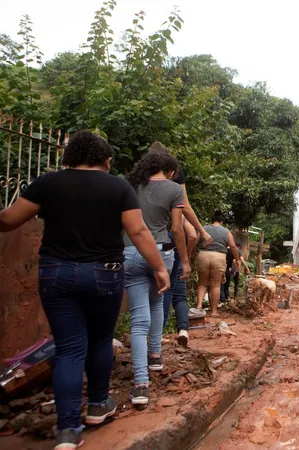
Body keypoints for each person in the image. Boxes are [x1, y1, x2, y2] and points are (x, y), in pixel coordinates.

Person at [0, 131, 169, 450]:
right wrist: (159, 268)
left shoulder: (48, 183)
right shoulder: (118, 186)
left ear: (69, 158)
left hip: (56, 274)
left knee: (68, 348)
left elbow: (9, 219)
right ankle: (97, 405)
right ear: (106, 160)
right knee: (101, 340)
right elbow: (138, 230)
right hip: (104, 275)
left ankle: (66, 430)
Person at [123, 151, 190, 408]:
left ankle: (141, 385)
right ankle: (156, 356)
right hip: (162, 254)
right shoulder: (174, 189)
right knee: (158, 301)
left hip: (130, 252)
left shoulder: (130, 185)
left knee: (139, 319)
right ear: (170, 170)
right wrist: (184, 260)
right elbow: (176, 228)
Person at [146, 142, 209, 348]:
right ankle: (162, 334)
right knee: (167, 290)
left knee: (144, 293)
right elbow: (184, 225)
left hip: (139, 241)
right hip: (167, 242)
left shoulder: (136, 178)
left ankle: (146, 337)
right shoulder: (174, 182)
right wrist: (186, 256)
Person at [195, 212, 239, 316]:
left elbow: (195, 240)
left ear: (212, 220)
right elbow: (232, 246)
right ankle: (214, 311)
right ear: (222, 221)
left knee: (202, 283)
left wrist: (190, 254)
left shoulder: (204, 228)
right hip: (219, 257)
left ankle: (199, 306)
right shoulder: (226, 231)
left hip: (204, 255)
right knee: (215, 285)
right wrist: (237, 259)